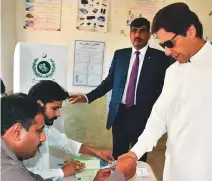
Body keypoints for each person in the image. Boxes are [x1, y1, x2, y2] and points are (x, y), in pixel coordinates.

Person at [119, 2, 212, 181]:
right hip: (175, 170)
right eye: (163, 45)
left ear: (190, 31)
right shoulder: (174, 72)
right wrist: (134, 153)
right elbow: (159, 116)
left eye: (170, 43)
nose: (167, 52)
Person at [69, 17, 170, 162]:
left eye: (142, 31)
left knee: (139, 156)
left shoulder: (159, 58)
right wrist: (87, 97)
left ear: (149, 34)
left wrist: (159, 114)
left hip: (143, 115)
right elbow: (109, 82)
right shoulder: (120, 55)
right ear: (130, 34)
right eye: (134, 31)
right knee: (118, 154)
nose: (137, 35)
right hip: (120, 113)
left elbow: (163, 89)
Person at [23, 80, 114, 181]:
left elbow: (65, 143)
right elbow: (23, 175)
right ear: (40, 104)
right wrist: (62, 171)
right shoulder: (23, 134)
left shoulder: (45, 128)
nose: (58, 114)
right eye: (54, 108)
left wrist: (97, 152)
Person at [1, 93, 48, 181]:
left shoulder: (10, 156)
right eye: (39, 131)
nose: (43, 138)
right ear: (17, 132)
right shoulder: (10, 172)